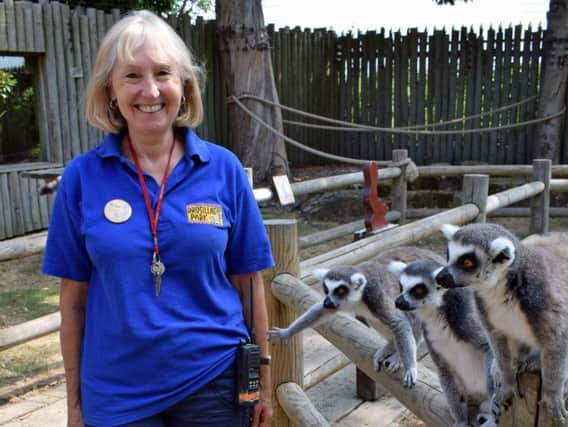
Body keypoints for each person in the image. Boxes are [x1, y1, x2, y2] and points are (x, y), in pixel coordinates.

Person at [42, 10, 274, 427]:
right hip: (116, 394)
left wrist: (263, 382)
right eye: (132, 75)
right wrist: (75, 406)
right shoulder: (82, 178)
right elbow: (72, 305)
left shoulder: (222, 169)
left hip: (214, 383)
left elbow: (249, 283)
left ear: (184, 87)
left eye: (163, 73)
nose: (150, 90)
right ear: (110, 90)